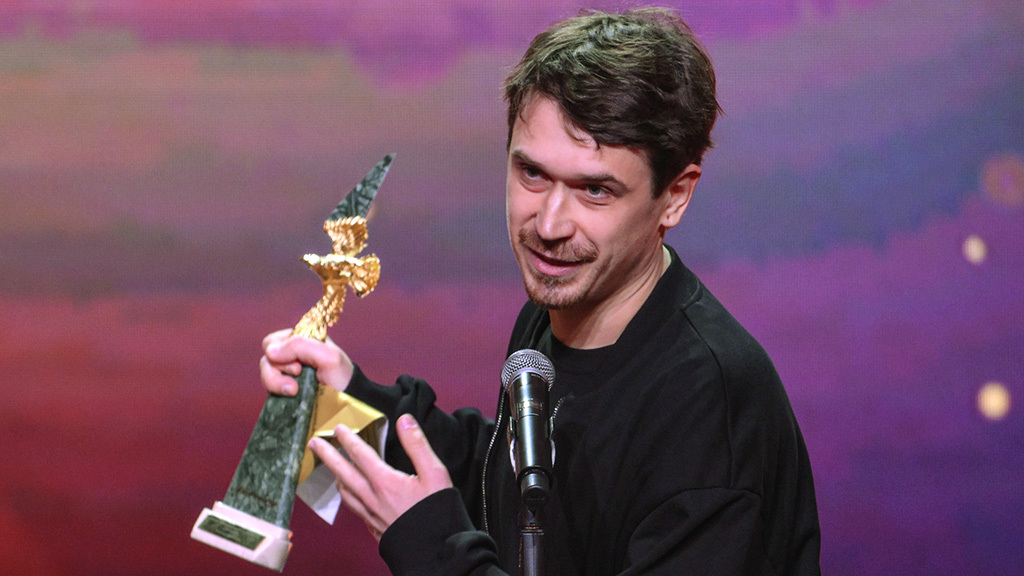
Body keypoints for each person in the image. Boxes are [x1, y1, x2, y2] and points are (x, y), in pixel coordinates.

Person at [260, 7, 821, 575]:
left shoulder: (712, 408)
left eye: (595, 190)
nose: (549, 225)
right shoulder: (555, 309)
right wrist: (352, 401)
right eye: (532, 174)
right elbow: (512, 486)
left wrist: (433, 549)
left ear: (674, 196)